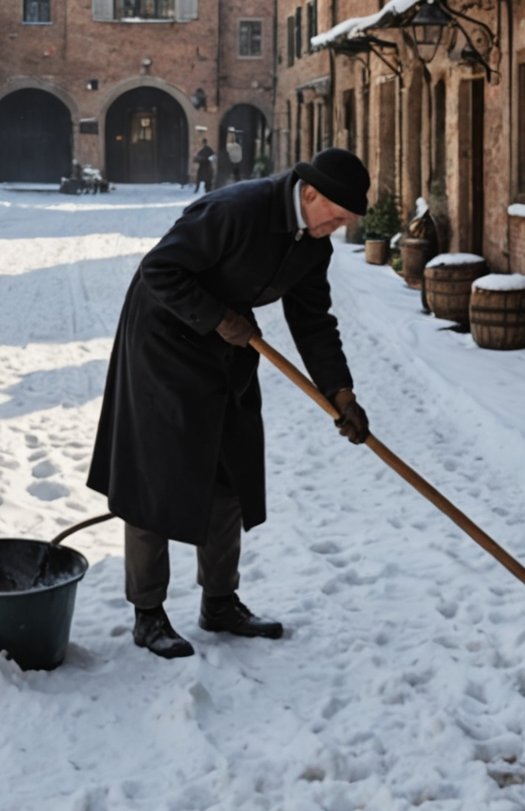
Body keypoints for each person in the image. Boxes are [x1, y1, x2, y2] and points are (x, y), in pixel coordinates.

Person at [89, 147, 373, 659]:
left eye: (348, 220)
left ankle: (219, 601)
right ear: (309, 194)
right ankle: (147, 613)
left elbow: (313, 323)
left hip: (227, 349)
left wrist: (341, 393)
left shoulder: (313, 244)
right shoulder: (235, 210)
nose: (341, 226)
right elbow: (160, 270)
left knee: (229, 470)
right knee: (154, 476)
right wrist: (218, 316)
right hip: (164, 343)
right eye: (337, 216)